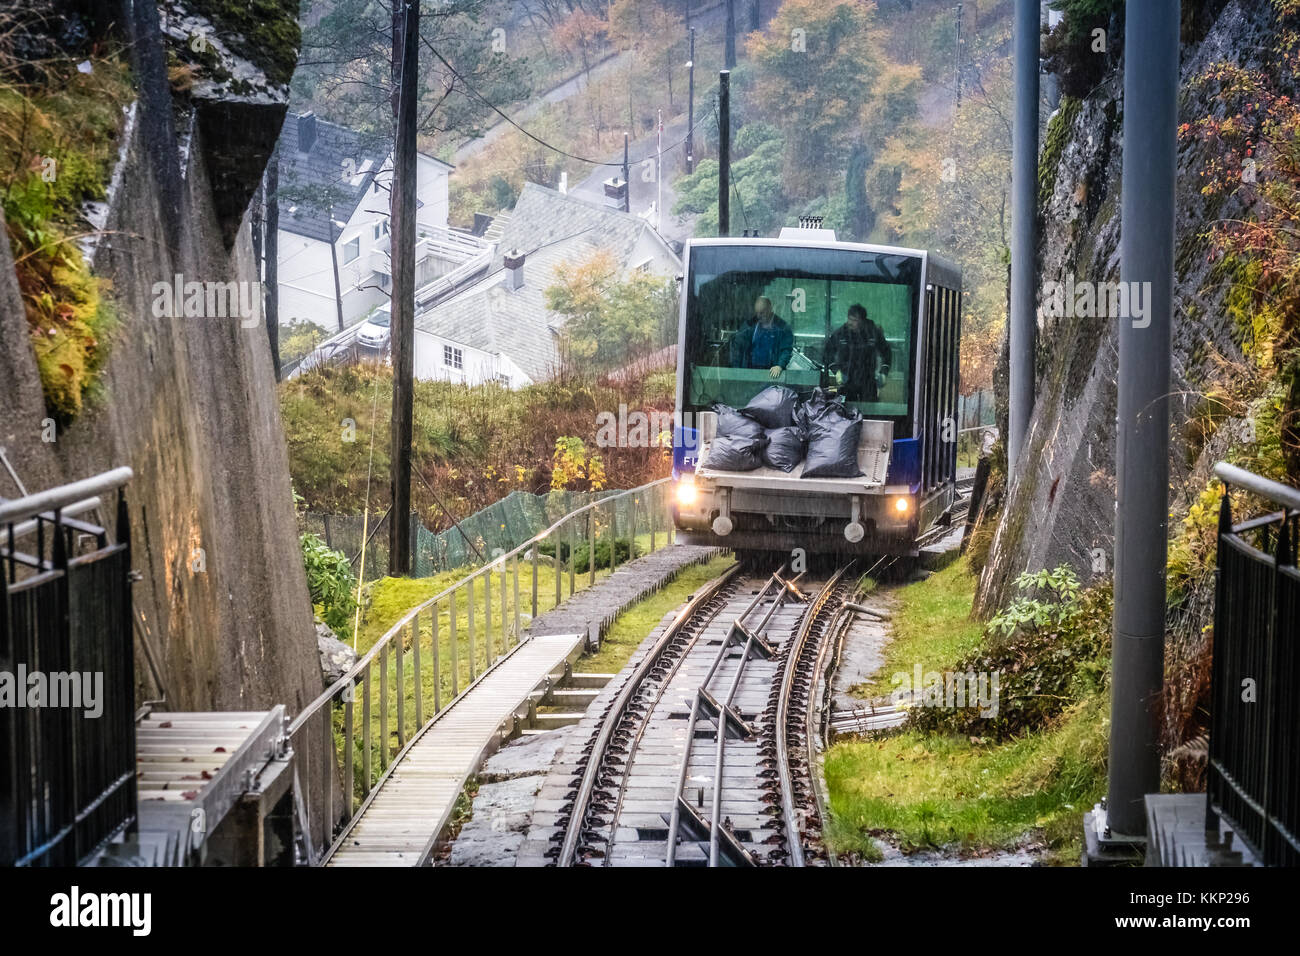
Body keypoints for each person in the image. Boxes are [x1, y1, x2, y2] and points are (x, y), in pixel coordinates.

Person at [824, 303, 893, 401]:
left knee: (870, 409)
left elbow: (886, 352)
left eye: (855, 320)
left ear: (862, 321)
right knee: (847, 410)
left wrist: (884, 372)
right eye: (849, 319)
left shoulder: (873, 332)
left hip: (868, 380)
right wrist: (836, 371)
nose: (850, 323)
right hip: (847, 379)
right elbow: (828, 352)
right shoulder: (841, 333)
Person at [728, 296, 793, 379]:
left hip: (772, 373)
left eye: (762, 312)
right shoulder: (749, 325)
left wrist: (780, 366)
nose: (759, 315)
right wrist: (736, 369)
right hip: (750, 370)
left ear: (770, 309)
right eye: (757, 312)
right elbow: (737, 347)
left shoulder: (782, 327)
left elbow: (786, 350)